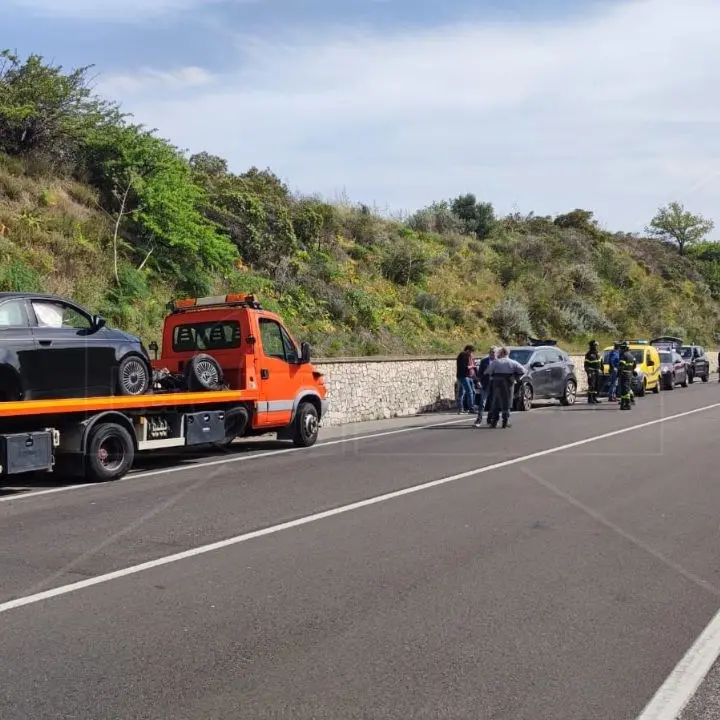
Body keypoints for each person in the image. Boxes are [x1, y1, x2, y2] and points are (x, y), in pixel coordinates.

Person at [486, 346, 525, 428]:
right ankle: (505, 422)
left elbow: (488, 371)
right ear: (508, 353)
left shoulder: (496, 362)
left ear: (501, 353)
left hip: (497, 384)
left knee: (496, 402)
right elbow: (523, 371)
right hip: (508, 384)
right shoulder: (513, 362)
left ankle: (494, 422)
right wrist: (516, 377)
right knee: (506, 403)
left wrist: (492, 375)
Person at [473, 346, 496, 427]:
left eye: (494, 352)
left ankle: (489, 420)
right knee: (482, 402)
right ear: (489, 353)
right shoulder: (484, 361)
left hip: (495, 385)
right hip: (485, 384)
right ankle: (478, 420)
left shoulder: (499, 362)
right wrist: (478, 381)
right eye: (492, 352)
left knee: (492, 403)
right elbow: (479, 373)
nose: (493, 354)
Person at [455, 344, 476, 414]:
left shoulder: (469, 356)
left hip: (468, 376)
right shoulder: (463, 355)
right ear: (467, 350)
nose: (471, 353)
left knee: (464, 392)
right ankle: (471, 408)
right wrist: (472, 366)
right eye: (470, 351)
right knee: (469, 392)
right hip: (463, 376)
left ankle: (461, 409)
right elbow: (464, 367)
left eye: (472, 352)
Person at [618, 341, 635, 410]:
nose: (620, 349)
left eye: (621, 347)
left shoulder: (623, 355)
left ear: (624, 348)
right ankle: (624, 403)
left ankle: (627, 404)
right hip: (629, 373)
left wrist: (618, 373)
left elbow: (621, 366)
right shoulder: (631, 355)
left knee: (625, 390)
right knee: (626, 388)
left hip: (624, 374)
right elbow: (634, 365)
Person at [584, 339, 602, 404]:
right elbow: (586, 365)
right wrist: (589, 373)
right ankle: (590, 399)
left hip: (597, 372)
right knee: (591, 385)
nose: (596, 347)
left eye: (596, 346)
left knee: (596, 385)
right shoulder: (588, 354)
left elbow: (599, 362)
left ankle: (594, 398)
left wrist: (600, 369)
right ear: (592, 346)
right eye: (595, 345)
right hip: (592, 372)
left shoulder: (597, 353)